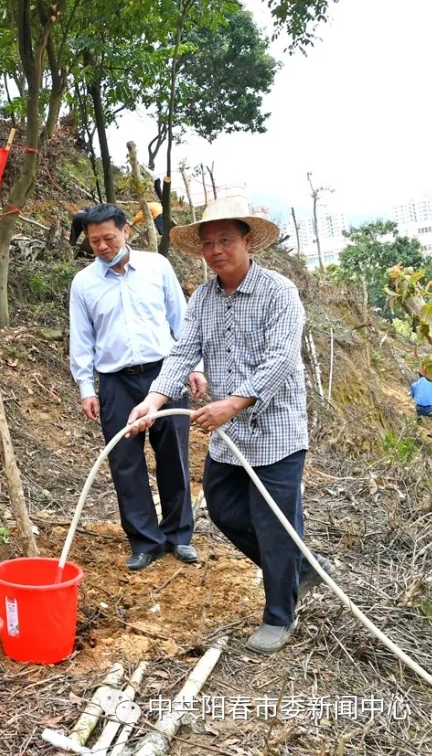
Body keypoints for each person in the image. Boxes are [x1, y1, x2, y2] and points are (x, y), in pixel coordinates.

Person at [125, 194, 335, 654]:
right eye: (208, 243)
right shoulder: (203, 298)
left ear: (247, 241)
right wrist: (153, 401)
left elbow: (281, 358)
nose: (216, 250)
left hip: (276, 431)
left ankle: (279, 615)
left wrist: (234, 403)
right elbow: (183, 353)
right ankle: (301, 568)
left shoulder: (279, 291)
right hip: (230, 435)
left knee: (274, 524)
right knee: (222, 509)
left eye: (225, 240)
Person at [68, 203, 199, 571]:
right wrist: (86, 388)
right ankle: (145, 541)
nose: (102, 246)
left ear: (127, 231)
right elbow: (82, 338)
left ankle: (179, 535)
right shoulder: (84, 283)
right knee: (125, 462)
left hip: (165, 373)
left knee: (173, 455)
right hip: (116, 382)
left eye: (109, 238)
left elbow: (183, 321)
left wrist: (194, 366)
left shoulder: (157, 266)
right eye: (95, 241)